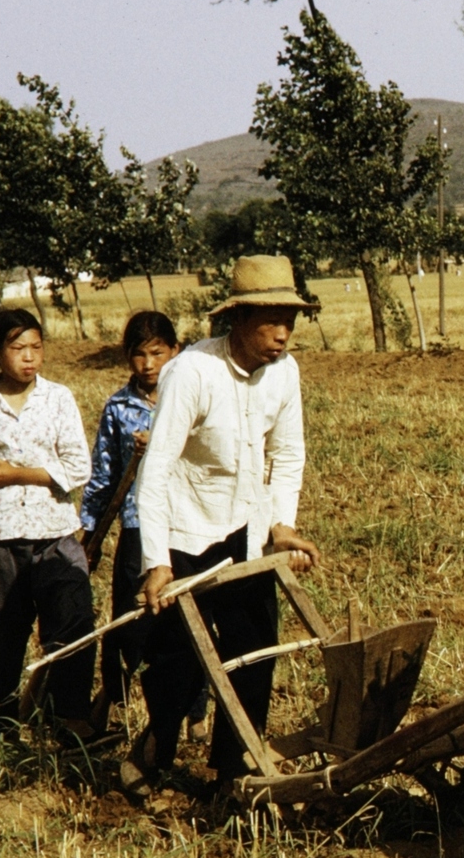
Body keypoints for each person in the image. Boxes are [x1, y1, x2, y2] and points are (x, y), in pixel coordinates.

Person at [123, 255, 321, 796]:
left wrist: (281, 524)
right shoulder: (192, 372)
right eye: (270, 322)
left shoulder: (285, 372)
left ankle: (234, 773)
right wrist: (157, 563)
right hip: (186, 529)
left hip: (247, 529)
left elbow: (288, 453)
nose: (283, 335)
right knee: (176, 663)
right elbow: (157, 469)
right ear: (237, 319)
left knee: (254, 652)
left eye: (291, 322)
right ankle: (152, 752)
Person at [0, 309, 97, 735]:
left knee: (74, 625)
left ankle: (72, 720)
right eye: (18, 349)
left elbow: (78, 467)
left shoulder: (59, 398)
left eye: (36, 347)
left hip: (54, 531)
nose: (29, 357)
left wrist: (19, 475)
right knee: (2, 635)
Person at [81, 309, 178, 731]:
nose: (149, 364)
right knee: (126, 617)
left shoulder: (188, 397)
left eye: (158, 353)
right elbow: (103, 473)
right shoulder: (119, 407)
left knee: (183, 622)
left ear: (175, 351)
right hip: (138, 525)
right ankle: (114, 699)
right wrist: (90, 528)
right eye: (139, 355)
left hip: (184, 524)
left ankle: (190, 711)